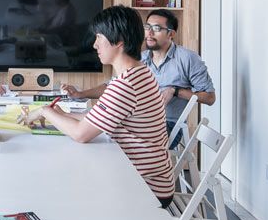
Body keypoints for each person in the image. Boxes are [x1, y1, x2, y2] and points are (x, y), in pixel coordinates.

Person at [20, 5, 175, 207]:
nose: (94, 45)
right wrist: (60, 114)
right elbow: (95, 118)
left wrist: (45, 111)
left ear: (118, 41)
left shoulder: (125, 84)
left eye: (99, 38)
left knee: (59, 180)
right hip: (149, 178)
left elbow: (81, 134)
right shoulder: (140, 73)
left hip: (146, 188)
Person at [61, 9, 214, 149]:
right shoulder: (142, 59)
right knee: (98, 134)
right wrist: (80, 94)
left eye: (157, 28)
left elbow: (209, 98)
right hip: (137, 121)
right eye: (147, 27)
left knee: (98, 138)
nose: (149, 33)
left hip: (167, 124)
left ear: (171, 34)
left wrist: (176, 91)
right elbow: (112, 86)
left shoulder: (187, 58)